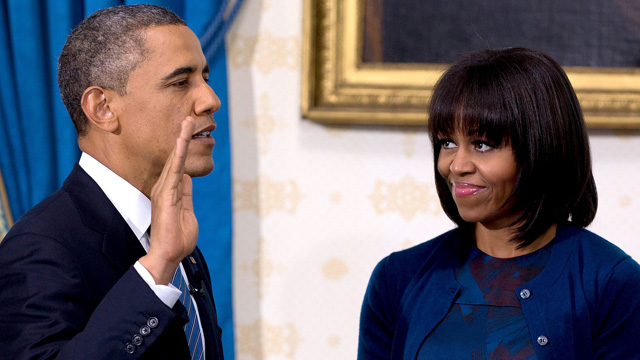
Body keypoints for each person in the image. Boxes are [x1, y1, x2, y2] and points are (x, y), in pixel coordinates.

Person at [358, 48, 640, 359]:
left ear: (541, 149)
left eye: (482, 144)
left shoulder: (612, 283)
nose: (456, 165)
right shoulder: (397, 278)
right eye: (447, 142)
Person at [0, 5, 224, 359]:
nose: (211, 100)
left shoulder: (177, 243)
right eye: (181, 82)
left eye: (205, 79)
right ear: (102, 107)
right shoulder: (40, 247)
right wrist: (157, 268)